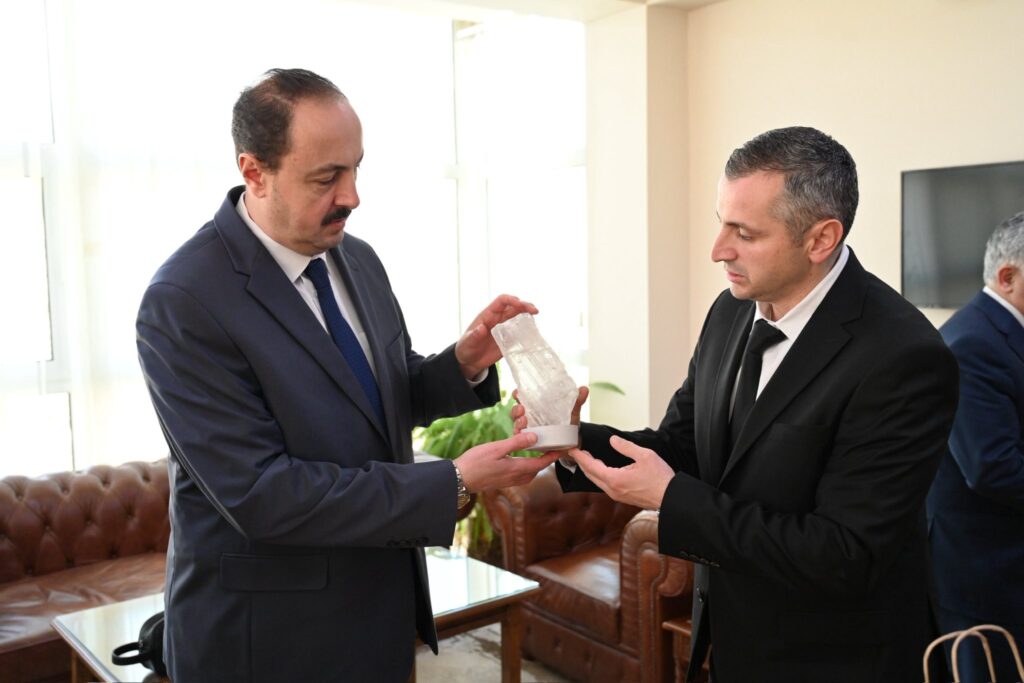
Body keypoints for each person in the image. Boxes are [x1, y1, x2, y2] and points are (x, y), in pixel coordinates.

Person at [135, 68, 557, 683]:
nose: (352, 196)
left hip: (377, 609)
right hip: (267, 639)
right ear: (254, 172)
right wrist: (453, 481)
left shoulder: (354, 257)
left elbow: (379, 394)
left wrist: (463, 362)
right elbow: (261, 494)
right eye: (327, 177)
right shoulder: (184, 299)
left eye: (357, 169)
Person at [518, 127, 960, 682]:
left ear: (821, 239)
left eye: (744, 233)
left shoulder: (904, 357)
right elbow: (686, 446)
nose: (717, 250)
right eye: (721, 222)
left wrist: (672, 499)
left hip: (835, 660)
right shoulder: (730, 311)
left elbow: (844, 554)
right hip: (731, 642)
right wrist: (571, 438)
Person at [927, 211, 1024, 682]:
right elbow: (993, 468)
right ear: (1007, 277)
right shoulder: (972, 344)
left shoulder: (1001, 331)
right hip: (984, 572)